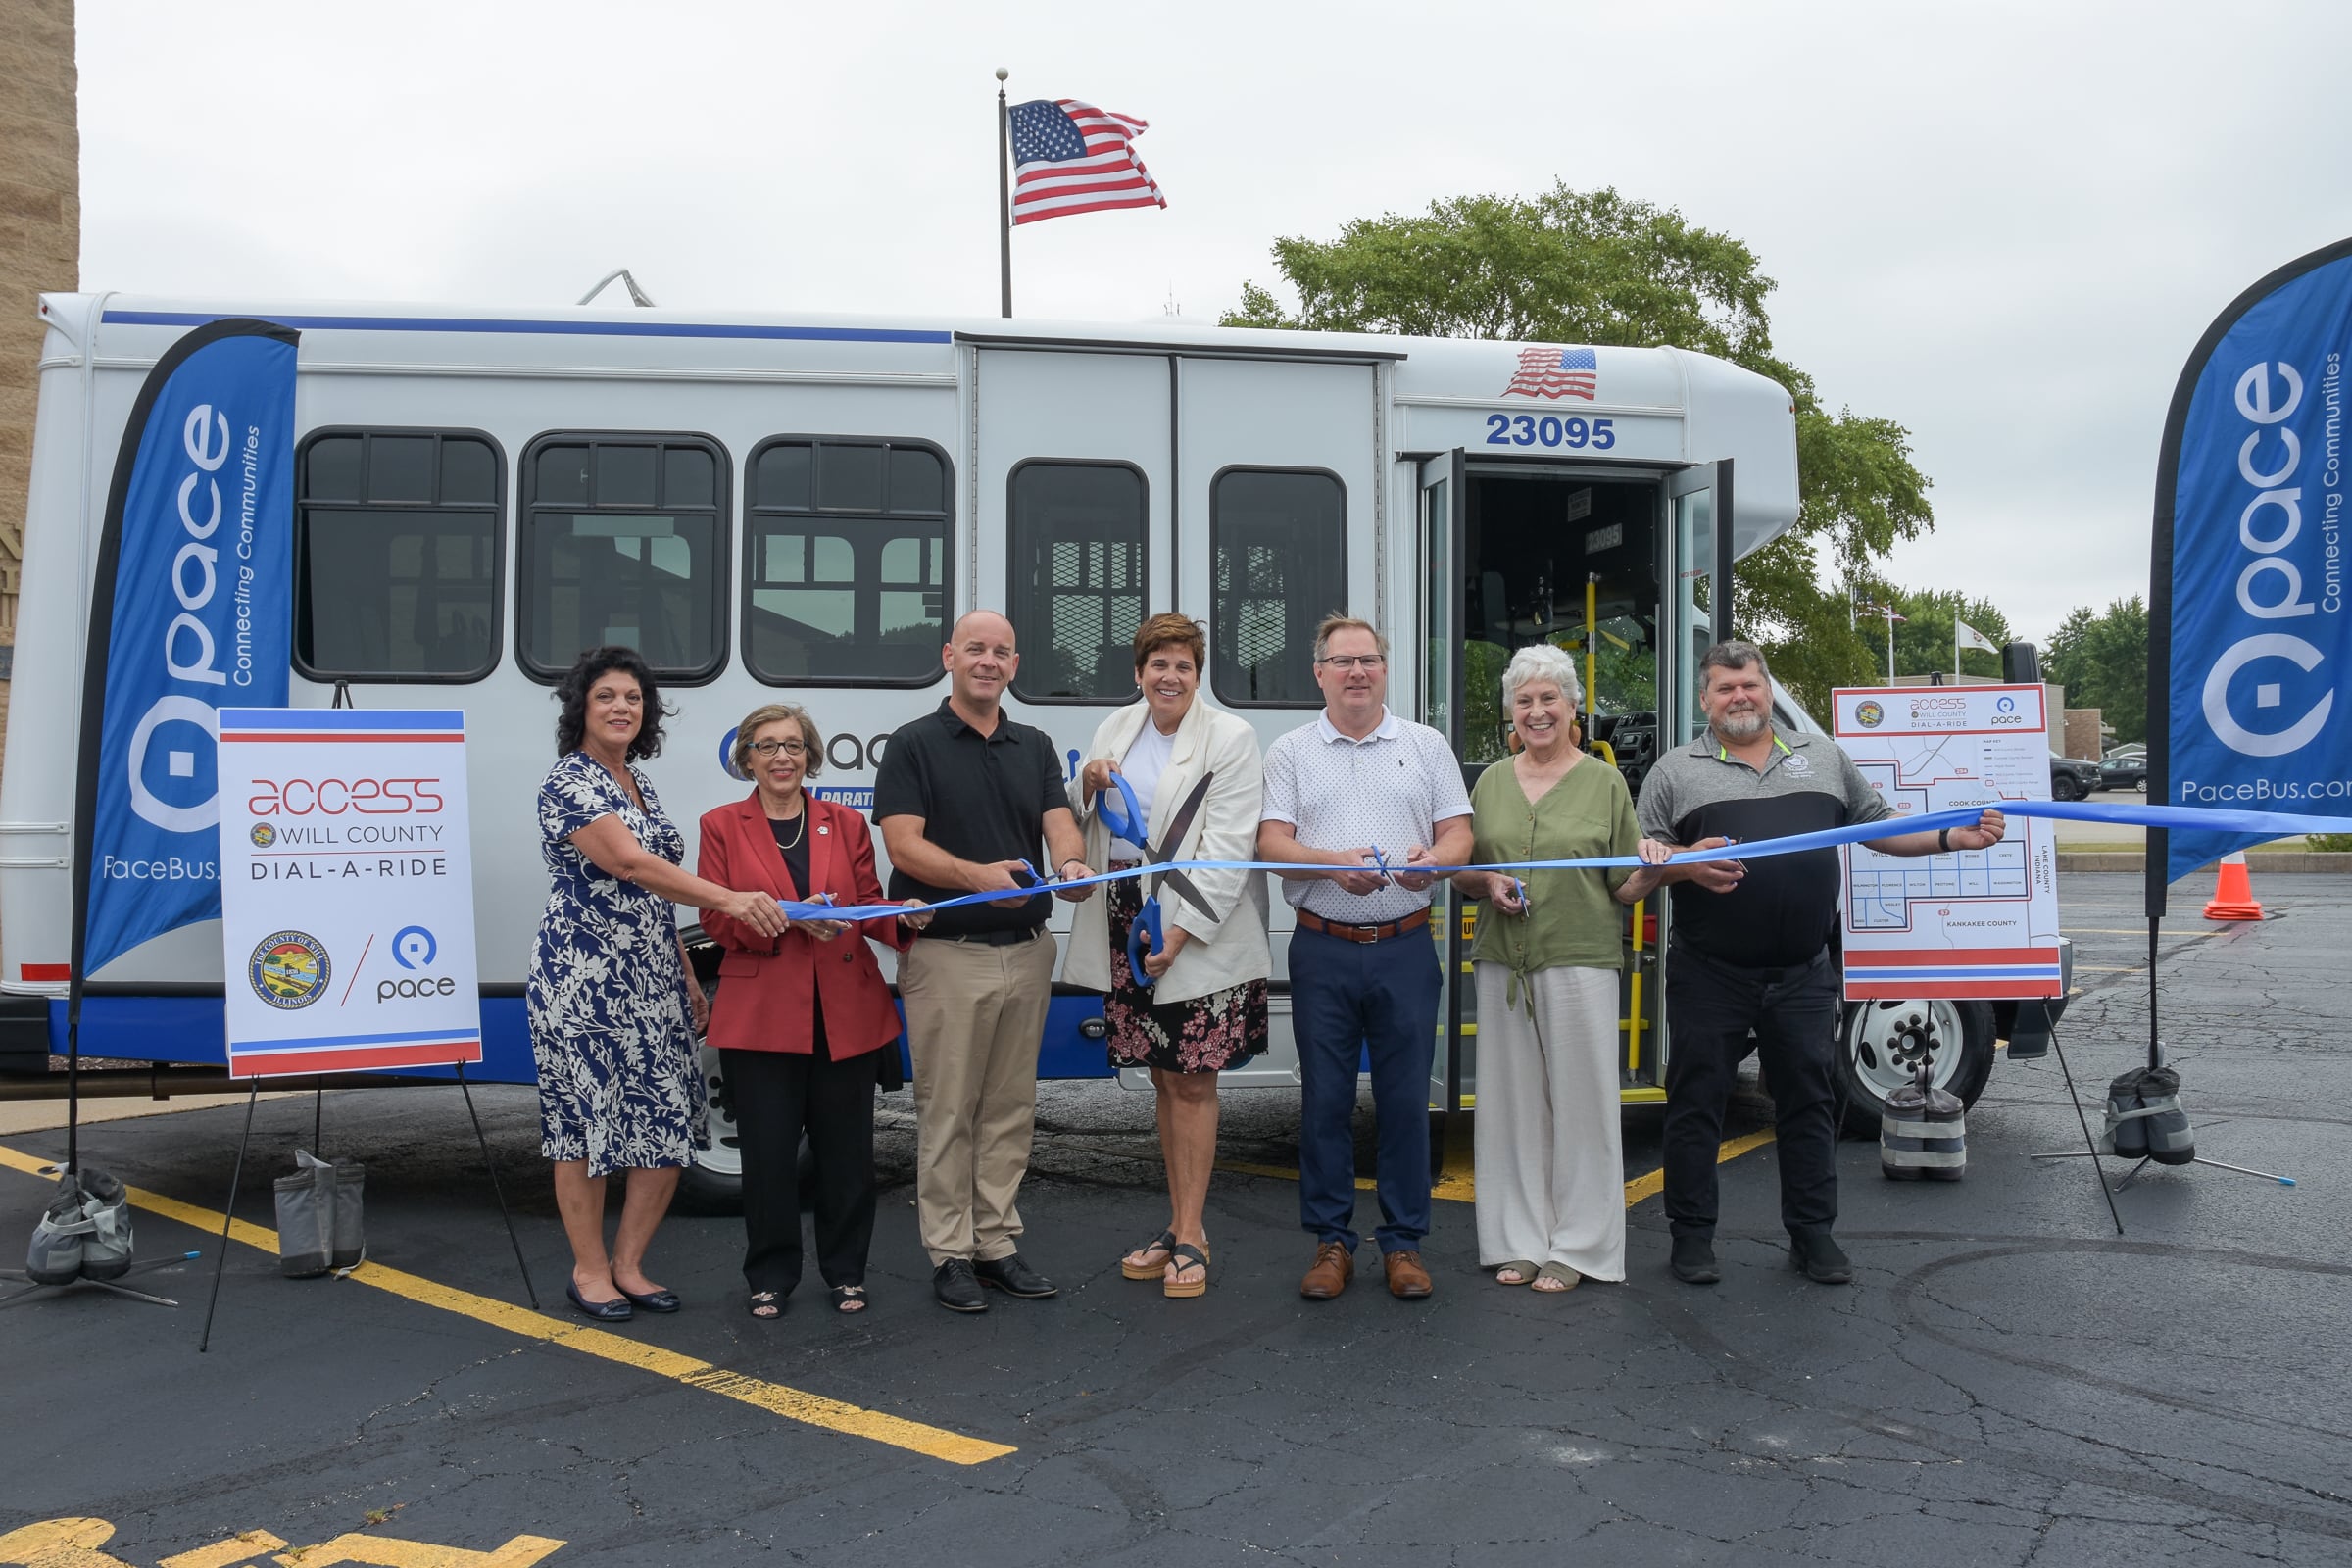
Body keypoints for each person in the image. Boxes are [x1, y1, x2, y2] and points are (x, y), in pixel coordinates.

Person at [1636, 639, 2006, 1287]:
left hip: (1804, 973)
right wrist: (1684, 862)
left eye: (1749, 684)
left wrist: (1955, 836)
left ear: (1768, 688)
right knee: (1696, 1104)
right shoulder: (1674, 772)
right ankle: (1691, 1237)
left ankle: (1813, 1236)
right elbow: (1645, 869)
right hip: (1709, 974)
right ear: (1705, 700)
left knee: (1809, 1105)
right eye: (1724, 688)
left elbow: (1881, 829)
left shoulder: (1824, 757)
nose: (1739, 696)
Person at [527, 646, 790, 1323]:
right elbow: (630, 863)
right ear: (582, 708)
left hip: (653, 978)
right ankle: (589, 1271)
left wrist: (684, 976)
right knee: (587, 1129)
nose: (621, 708)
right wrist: (731, 899)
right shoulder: (571, 781)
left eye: (633, 698)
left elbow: (653, 898)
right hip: (583, 978)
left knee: (667, 1123)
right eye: (607, 696)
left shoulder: (636, 782)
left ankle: (630, 1265)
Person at [873, 610, 1094, 1313]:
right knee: (948, 1111)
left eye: (1002, 651)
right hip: (947, 956)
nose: (988, 661)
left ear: (1015, 665)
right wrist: (978, 878)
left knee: (1008, 1110)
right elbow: (903, 847)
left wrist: (1072, 862)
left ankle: (996, 1243)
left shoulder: (1034, 744)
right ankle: (949, 1254)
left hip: (1028, 954)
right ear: (949, 657)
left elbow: (1058, 821)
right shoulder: (911, 746)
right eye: (976, 649)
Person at [1257, 614, 1473, 1301]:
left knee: (1407, 1102)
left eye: (1369, 660)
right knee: (1324, 1101)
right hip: (1323, 946)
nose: (1357, 672)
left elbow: (1459, 832)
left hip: (1407, 945)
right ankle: (1331, 1243)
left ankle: (1404, 1244)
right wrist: (1330, 866)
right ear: (1318, 672)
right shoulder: (1291, 751)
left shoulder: (1426, 745)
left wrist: (1432, 867)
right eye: (1342, 661)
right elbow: (1271, 843)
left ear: (1385, 669)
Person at [696, 704, 932, 1320]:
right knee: (769, 1156)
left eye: (794, 746)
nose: (782, 757)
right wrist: (775, 921)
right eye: (768, 746)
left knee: (847, 1156)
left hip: (843, 1011)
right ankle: (770, 1275)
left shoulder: (846, 823)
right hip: (763, 1013)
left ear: (810, 756)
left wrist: (900, 915)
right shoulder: (721, 825)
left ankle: (847, 1271)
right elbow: (716, 917)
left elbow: (865, 903)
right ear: (746, 756)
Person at [1065, 613, 1271, 1299]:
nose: (1170, 676)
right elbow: (1086, 819)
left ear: (1197, 674)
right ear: (1138, 672)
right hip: (1127, 915)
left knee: (1193, 1081)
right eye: (1158, 664)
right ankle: (1179, 1221)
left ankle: (1192, 1234)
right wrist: (1089, 781)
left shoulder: (1231, 738)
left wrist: (1180, 933)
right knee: (1161, 1076)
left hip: (1192, 925)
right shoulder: (1114, 731)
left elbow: (1230, 845)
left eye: (1183, 665)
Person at [1453, 645, 1669, 1293]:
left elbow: (1621, 887)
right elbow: (1462, 873)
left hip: (1581, 957)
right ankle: (1518, 1240)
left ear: (1573, 708)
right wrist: (1486, 884)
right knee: (1510, 1107)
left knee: (1584, 1108)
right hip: (1503, 961)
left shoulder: (1604, 782)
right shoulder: (1490, 781)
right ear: (1509, 713)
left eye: (1550, 699)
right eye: (1525, 701)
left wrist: (1654, 870)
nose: (1537, 711)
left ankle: (1580, 1246)